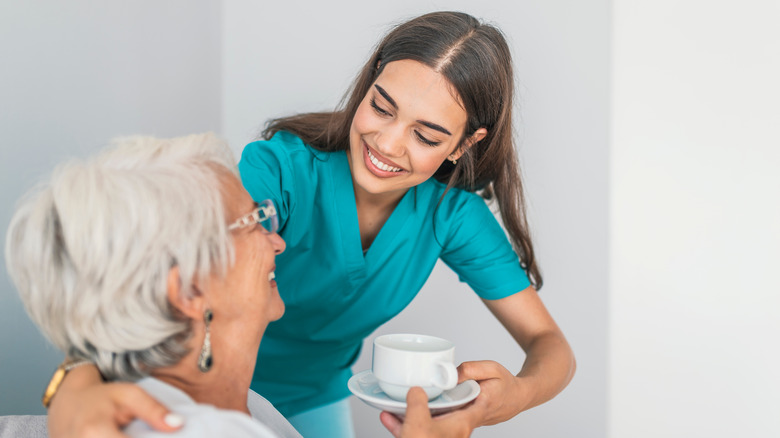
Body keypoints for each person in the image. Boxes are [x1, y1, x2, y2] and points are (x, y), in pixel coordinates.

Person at [47, 10, 576, 437]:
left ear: (464, 144)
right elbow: (158, 265)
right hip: (194, 383)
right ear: (367, 85)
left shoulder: (452, 217)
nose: (387, 144)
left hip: (312, 399)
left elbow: (551, 346)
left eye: (427, 136)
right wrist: (74, 382)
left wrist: (513, 398)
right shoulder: (280, 170)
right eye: (382, 108)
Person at [6, 133, 469, 438]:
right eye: (255, 222)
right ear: (188, 291)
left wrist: (70, 379)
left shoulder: (243, 405)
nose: (279, 241)